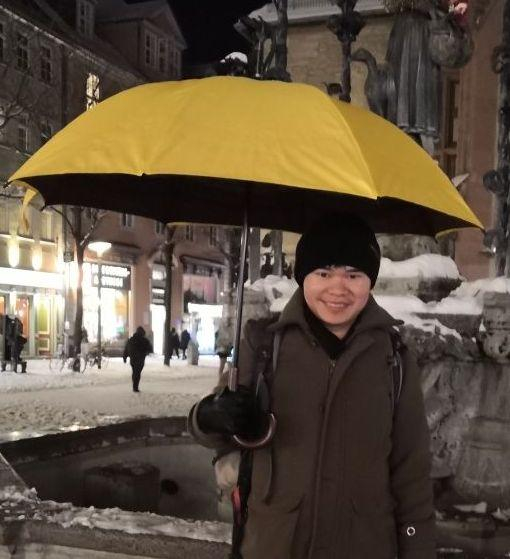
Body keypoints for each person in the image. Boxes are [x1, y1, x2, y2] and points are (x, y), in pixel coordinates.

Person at [188, 213, 434, 559]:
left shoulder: (394, 359)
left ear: (370, 281)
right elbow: (208, 434)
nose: (338, 288)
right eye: (323, 273)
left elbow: (412, 475)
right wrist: (214, 415)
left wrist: (417, 548)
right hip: (273, 545)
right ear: (303, 277)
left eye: (353, 274)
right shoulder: (262, 345)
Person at [123, 326, 153, 393]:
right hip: (140, 359)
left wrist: (124, 357)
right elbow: (150, 349)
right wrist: (146, 352)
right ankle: (135, 387)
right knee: (137, 373)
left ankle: (135, 386)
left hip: (133, 359)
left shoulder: (131, 339)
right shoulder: (144, 340)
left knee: (134, 372)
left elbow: (126, 349)